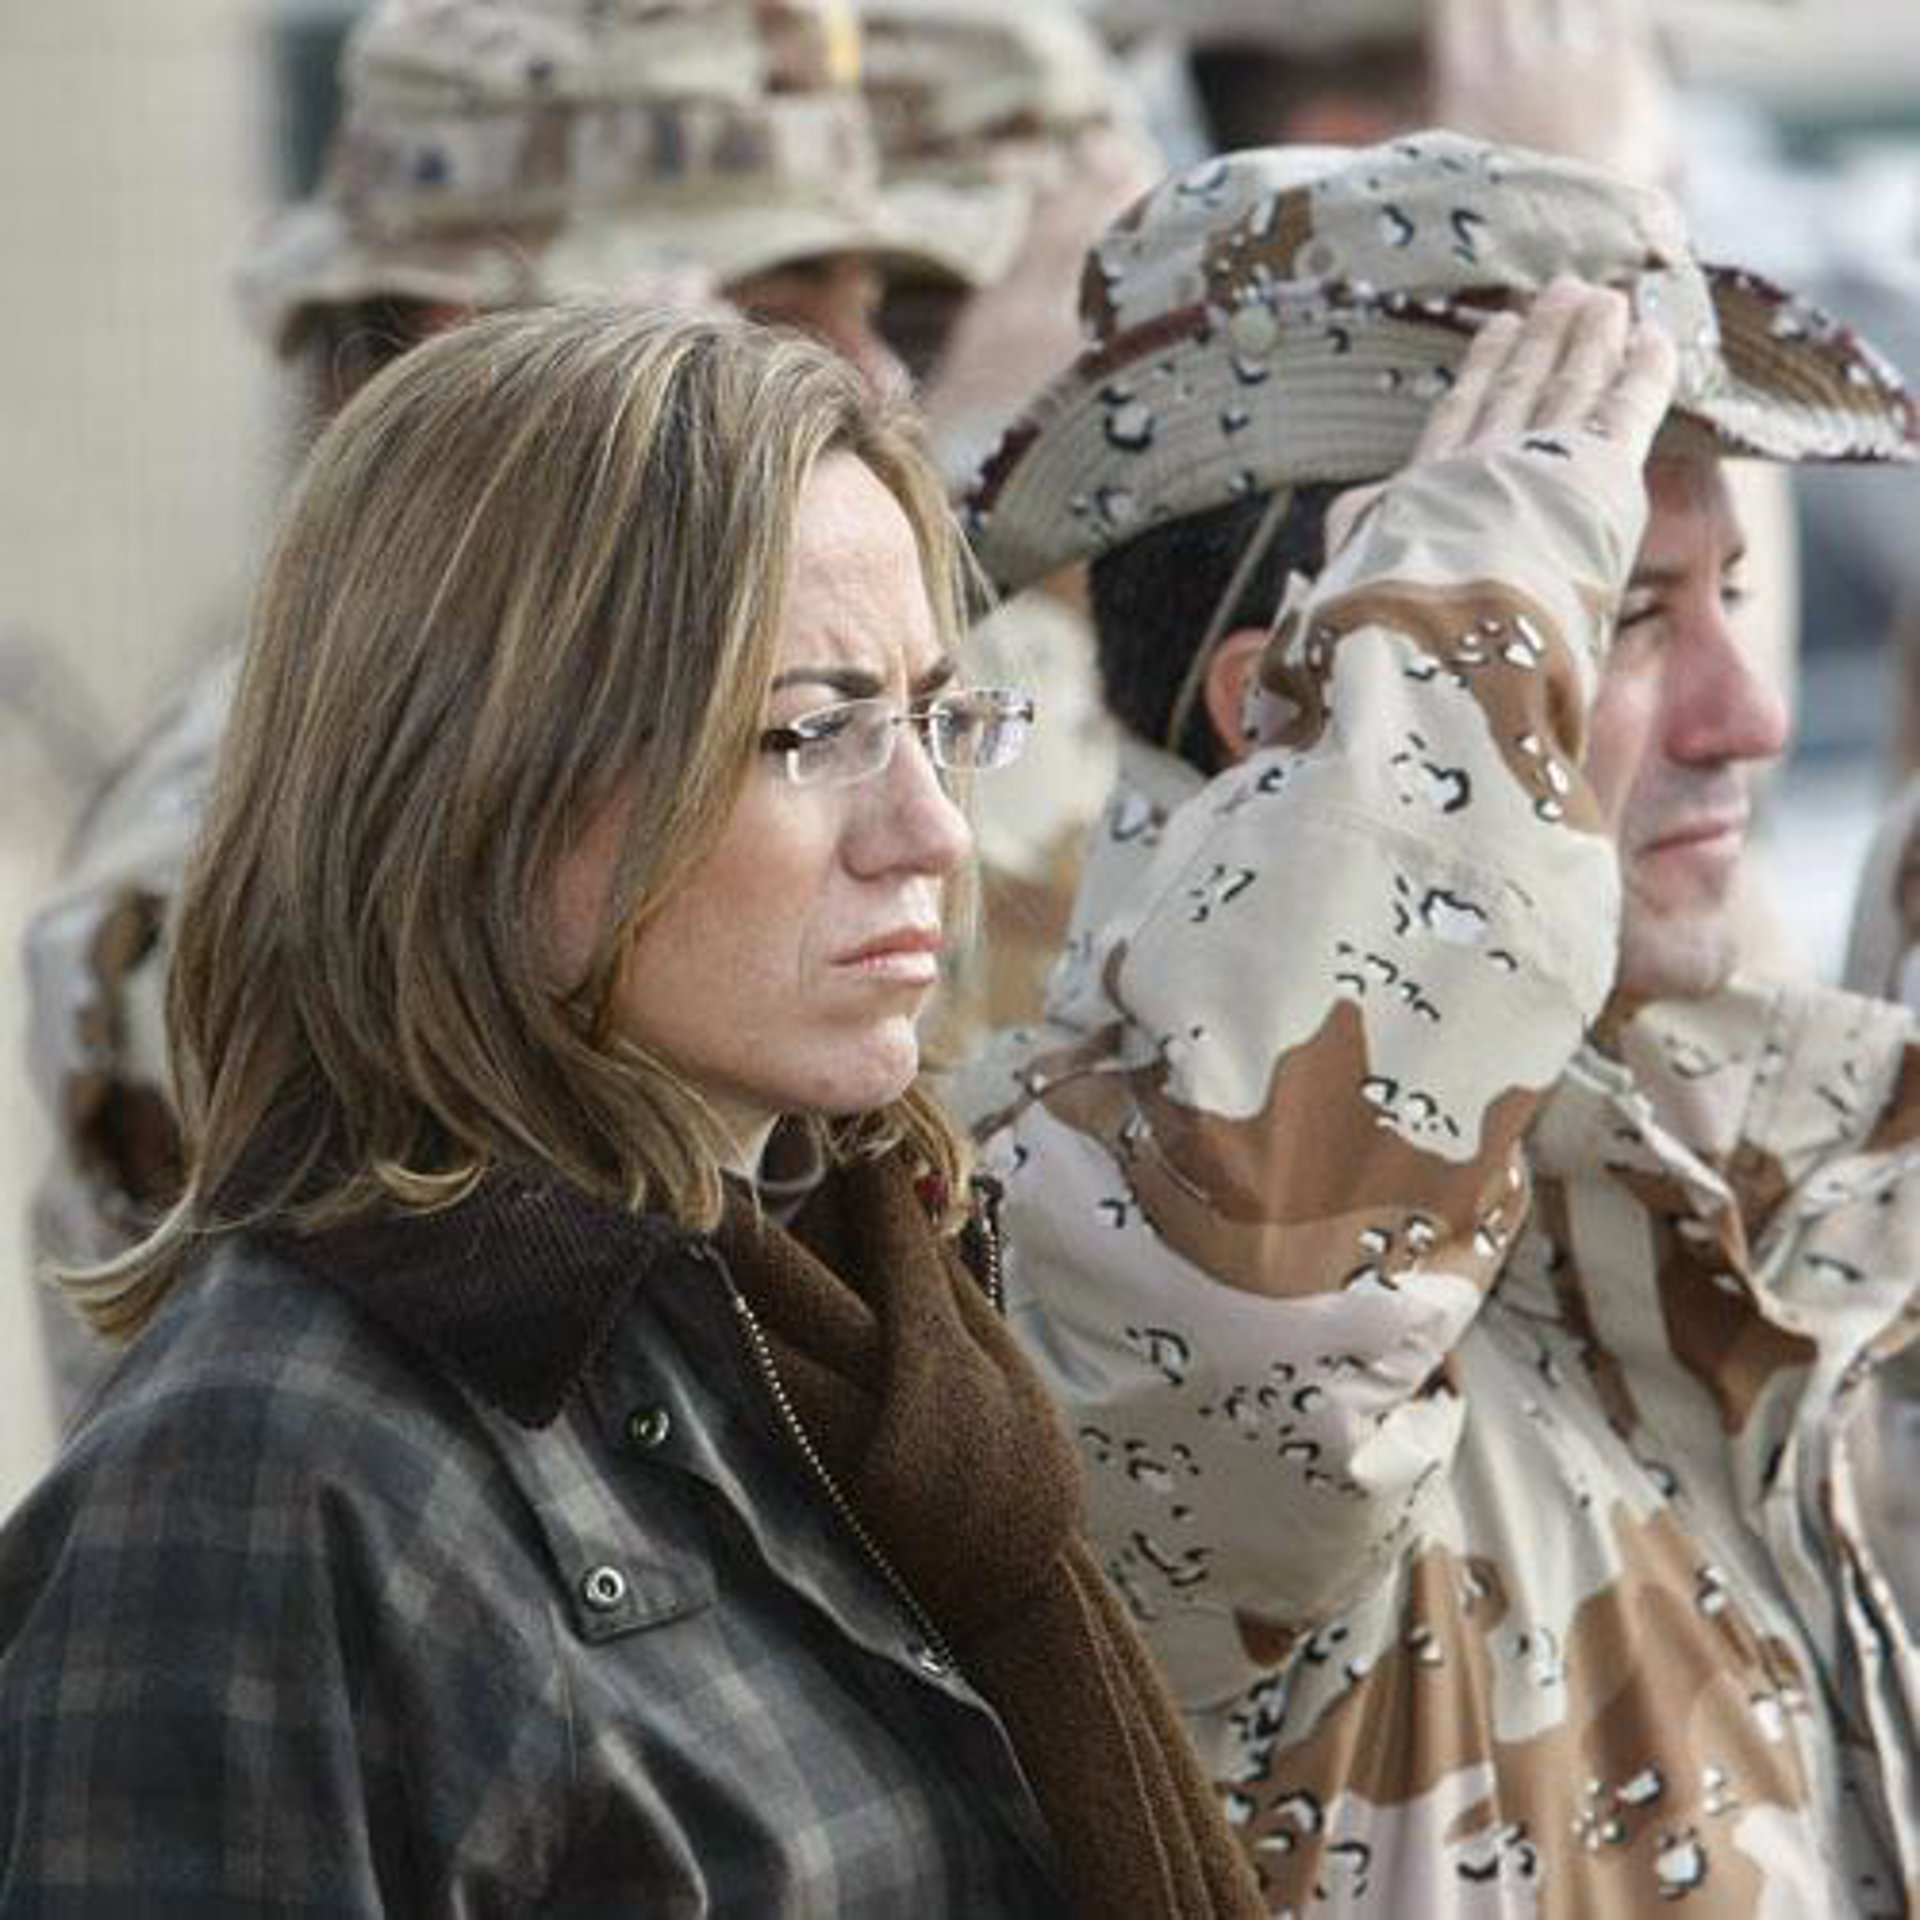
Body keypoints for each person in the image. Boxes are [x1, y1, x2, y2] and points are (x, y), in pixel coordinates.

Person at [0, 303, 1261, 1917]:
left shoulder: (867, 1329)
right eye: (815, 733)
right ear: (486, 788)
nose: (933, 830)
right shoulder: (258, 1482)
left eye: (941, 721)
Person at [953, 133, 1918, 1913]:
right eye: (1620, 616)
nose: (1754, 716)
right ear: (1293, 714)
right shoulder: (1066, 1238)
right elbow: (1250, 1331)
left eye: (1733, 598)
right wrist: (1452, 651)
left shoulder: (1681, 1192)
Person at [21, 0, 989, 1424]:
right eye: (776, 308)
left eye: (878, 312)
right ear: (471, 338)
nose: (874, 372)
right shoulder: (275, 827)